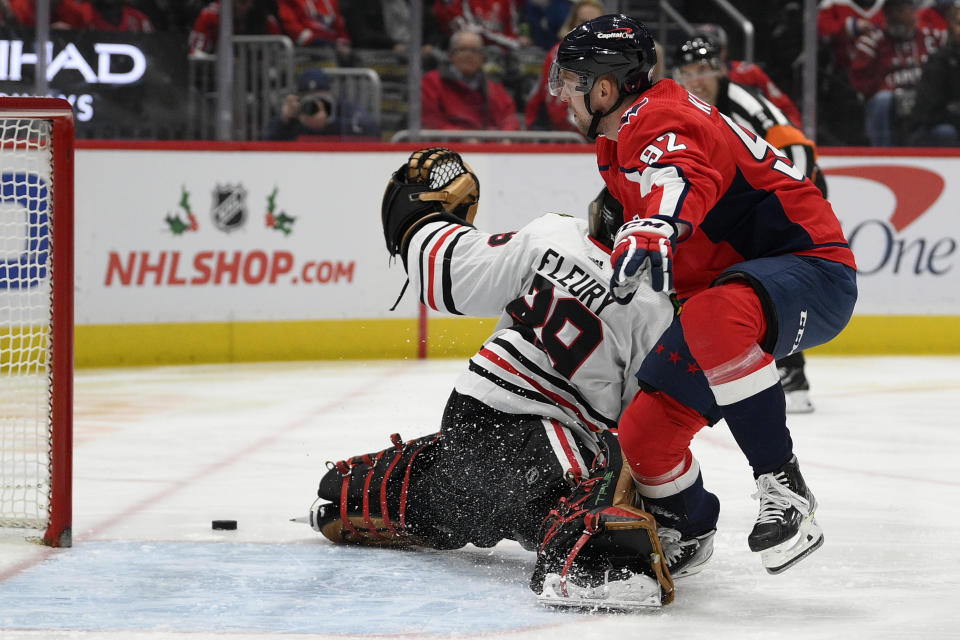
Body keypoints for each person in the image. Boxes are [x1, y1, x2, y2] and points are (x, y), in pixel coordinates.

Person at [309, 147, 690, 609]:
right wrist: (684, 517)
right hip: (542, 452)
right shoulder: (659, 312)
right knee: (607, 477)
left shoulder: (552, 233)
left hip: (468, 422)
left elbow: (444, 272)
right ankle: (587, 554)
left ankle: (354, 496)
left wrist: (419, 212)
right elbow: (646, 427)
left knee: (360, 493)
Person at [551, 14, 858, 575]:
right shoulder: (616, 142)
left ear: (604, 85)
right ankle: (684, 530)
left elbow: (679, 174)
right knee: (644, 434)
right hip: (730, 301)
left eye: (570, 80)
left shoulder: (662, 115)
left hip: (813, 269)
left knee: (717, 311)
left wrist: (656, 225)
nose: (561, 93)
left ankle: (785, 488)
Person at [673, 36, 824, 413]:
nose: (698, 80)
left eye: (705, 71)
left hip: (789, 194)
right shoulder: (684, 107)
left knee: (774, 280)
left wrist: (791, 198)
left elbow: (795, 144)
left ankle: (792, 375)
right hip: (751, 202)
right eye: (688, 72)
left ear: (721, 71)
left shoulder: (740, 100)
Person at [849, 0, 947, 146]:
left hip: (925, 107)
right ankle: (881, 155)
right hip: (888, 107)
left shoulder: (932, 39)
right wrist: (892, 93)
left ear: (913, 12)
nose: (897, 16)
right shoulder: (871, 43)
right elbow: (859, 82)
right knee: (883, 100)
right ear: (885, 14)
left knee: (946, 132)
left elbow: (945, 76)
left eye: (902, 10)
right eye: (892, 10)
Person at [692, 23, 803, 127]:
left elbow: (785, 107)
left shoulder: (748, 72)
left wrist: (793, 139)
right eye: (699, 50)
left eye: (714, 47)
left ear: (725, 49)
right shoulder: (684, 80)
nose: (707, 53)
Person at [524, 0, 605, 133]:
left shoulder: (611, 56)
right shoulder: (559, 56)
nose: (588, 28)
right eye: (582, 21)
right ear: (573, 24)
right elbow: (558, 112)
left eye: (594, 23)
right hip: (562, 135)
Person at [421, 29, 521, 132]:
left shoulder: (492, 85)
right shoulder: (432, 82)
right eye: (463, 49)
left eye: (474, 51)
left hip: (487, 144)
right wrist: (462, 138)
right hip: (449, 145)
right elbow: (431, 121)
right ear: (451, 55)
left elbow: (509, 117)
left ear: (482, 57)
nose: (468, 55)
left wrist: (506, 135)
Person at [264, 68, 380, 140]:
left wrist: (330, 124)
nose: (316, 104)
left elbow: (372, 130)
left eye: (322, 99)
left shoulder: (344, 109)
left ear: (330, 95)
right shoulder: (295, 117)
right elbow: (267, 144)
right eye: (309, 98)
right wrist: (284, 120)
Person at [908, 2, 960, 146]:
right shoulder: (940, 60)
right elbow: (927, 110)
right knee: (946, 133)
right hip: (935, 126)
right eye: (959, 24)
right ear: (950, 28)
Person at [188, 0, 282, 57]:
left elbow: (278, 55)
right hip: (214, 82)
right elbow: (195, 54)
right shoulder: (210, 15)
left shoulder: (265, 20)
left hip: (255, 83)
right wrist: (220, 61)